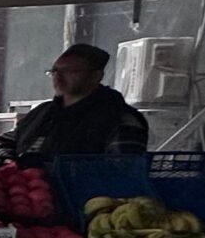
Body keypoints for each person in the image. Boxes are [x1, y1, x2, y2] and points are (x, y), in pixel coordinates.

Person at [8, 45, 150, 158]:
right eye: (54, 71)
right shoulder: (41, 112)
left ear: (96, 76)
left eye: (69, 71)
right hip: (27, 190)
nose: (58, 77)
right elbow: (8, 141)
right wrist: (10, 163)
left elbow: (123, 168)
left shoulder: (119, 118)